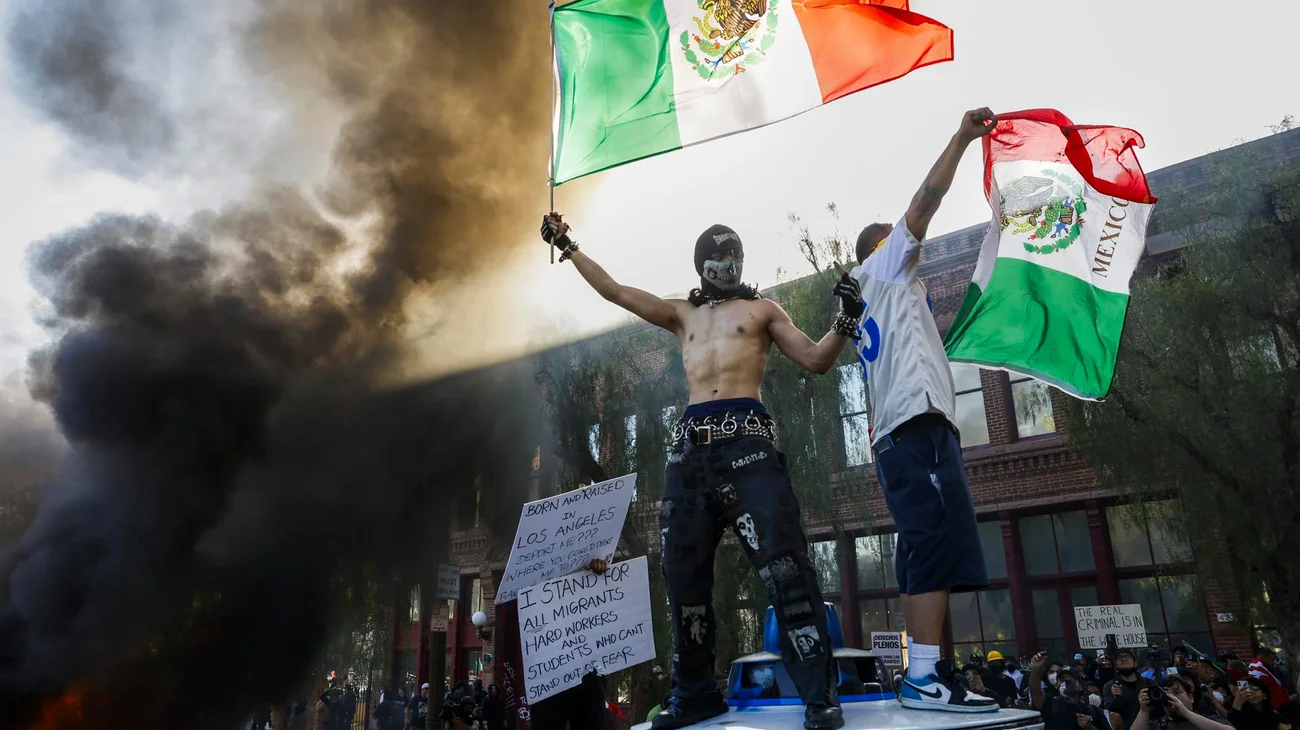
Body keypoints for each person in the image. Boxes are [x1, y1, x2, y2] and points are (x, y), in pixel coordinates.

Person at [541, 209, 861, 730]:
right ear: (701, 263)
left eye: (733, 254)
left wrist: (845, 321)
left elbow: (817, 358)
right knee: (682, 577)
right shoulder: (681, 315)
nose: (727, 262)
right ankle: (693, 696)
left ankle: (819, 696)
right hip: (689, 452)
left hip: (750, 443)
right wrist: (569, 245)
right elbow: (616, 291)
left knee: (785, 567)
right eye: (717, 255)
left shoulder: (762, 311)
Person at [846, 107, 1000, 713]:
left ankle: (931, 671)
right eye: (905, 238)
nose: (919, 244)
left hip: (913, 427)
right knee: (932, 541)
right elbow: (928, 197)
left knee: (925, 546)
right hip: (912, 426)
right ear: (886, 247)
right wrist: (962, 137)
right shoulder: (884, 266)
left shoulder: (876, 294)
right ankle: (922, 675)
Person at [1028, 653, 1110, 730]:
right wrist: (1036, 669)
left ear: (1080, 685)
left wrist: (1091, 727)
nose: (1067, 682)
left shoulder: (1093, 711)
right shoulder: (1050, 705)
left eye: (1071, 679)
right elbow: (1035, 690)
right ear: (1056, 685)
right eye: (1063, 679)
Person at [1130, 677, 1232, 730]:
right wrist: (1143, 711)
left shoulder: (1208, 719)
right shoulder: (1159, 725)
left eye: (1177, 692)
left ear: (1190, 698)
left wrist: (1185, 712)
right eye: (1166, 693)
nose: (1171, 696)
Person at [1106, 649, 1158, 730]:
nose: (1123, 659)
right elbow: (1110, 716)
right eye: (1120, 658)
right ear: (1116, 665)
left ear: (1135, 663)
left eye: (1127, 657)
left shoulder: (1149, 683)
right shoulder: (1110, 686)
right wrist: (1116, 699)